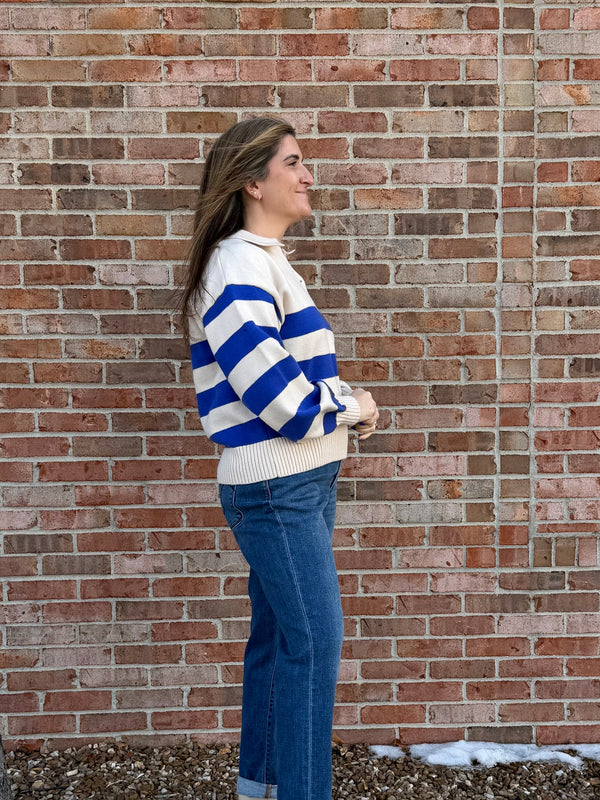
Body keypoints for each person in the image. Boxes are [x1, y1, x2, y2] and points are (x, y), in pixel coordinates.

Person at [181, 117, 379, 800]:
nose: (307, 175)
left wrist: (336, 410)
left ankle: (261, 789)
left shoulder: (266, 261)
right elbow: (281, 402)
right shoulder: (236, 266)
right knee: (313, 647)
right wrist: (355, 403)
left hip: (295, 482)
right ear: (251, 181)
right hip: (277, 485)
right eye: (293, 163)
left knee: (278, 645)